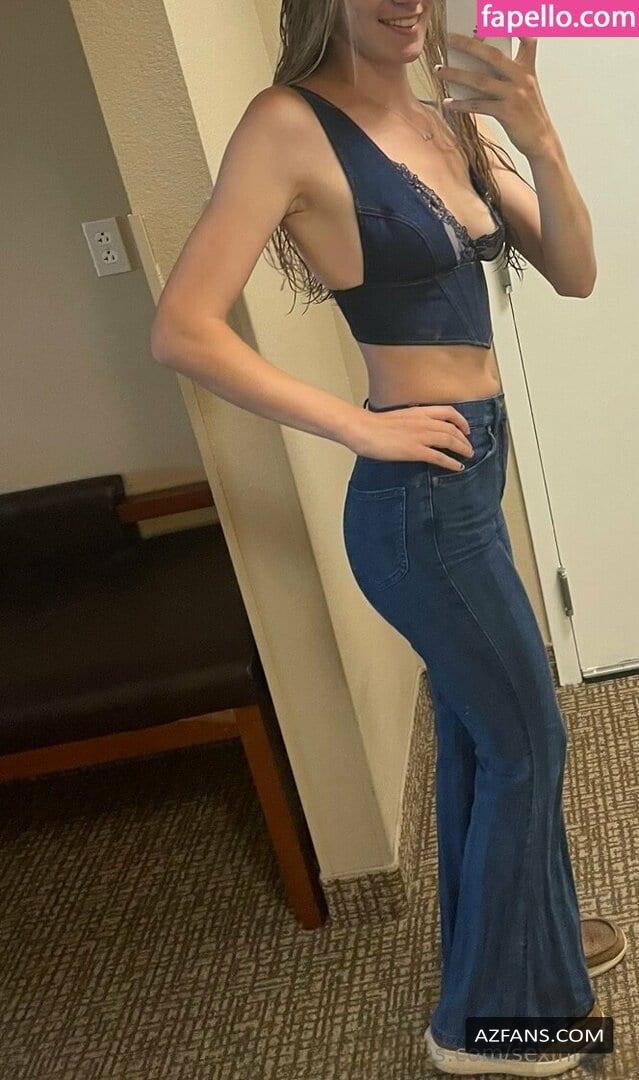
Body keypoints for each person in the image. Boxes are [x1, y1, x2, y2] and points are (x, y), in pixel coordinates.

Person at [150, 2, 627, 1074]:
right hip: (417, 502)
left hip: (473, 468)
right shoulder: (287, 123)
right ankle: (495, 1030)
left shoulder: (449, 116)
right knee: (528, 741)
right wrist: (356, 423)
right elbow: (181, 326)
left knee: (481, 731)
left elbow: (576, 270)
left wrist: (538, 133)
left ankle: (523, 951)